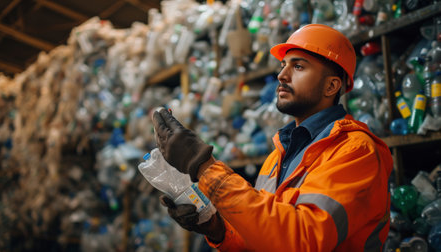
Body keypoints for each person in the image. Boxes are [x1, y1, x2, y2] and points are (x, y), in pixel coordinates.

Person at [152, 24, 393, 251]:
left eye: (298, 66)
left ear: (331, 87)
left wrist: (204, 166)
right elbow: (264, 238)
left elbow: (302, 241)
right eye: (283, 65)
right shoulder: (278, 156)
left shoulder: (356, 151)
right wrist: (216, 229)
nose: (282, 75)